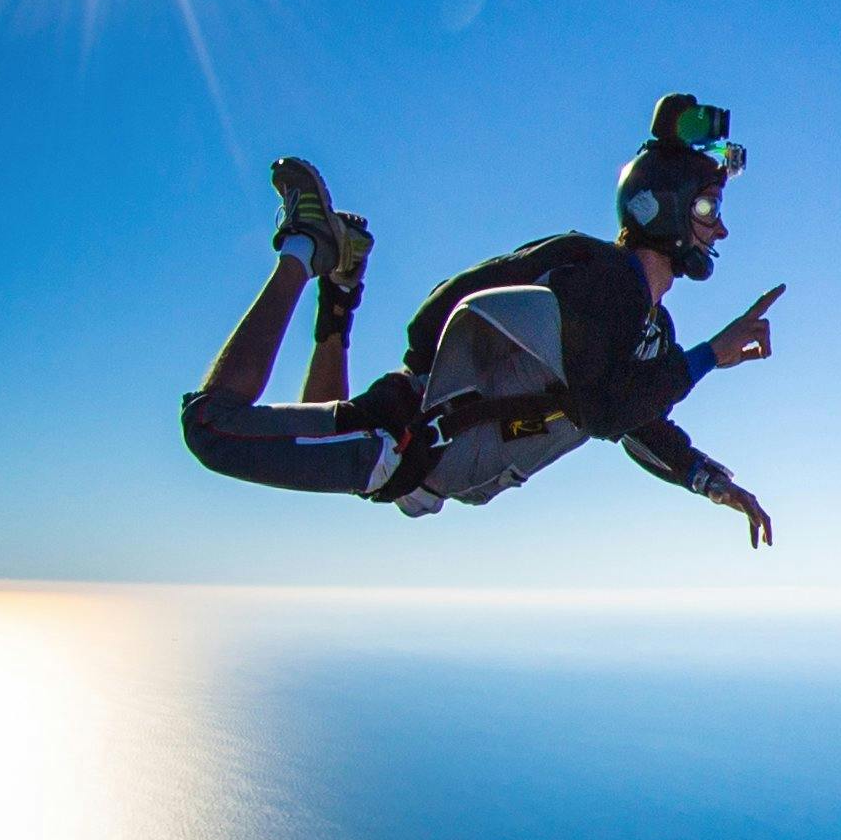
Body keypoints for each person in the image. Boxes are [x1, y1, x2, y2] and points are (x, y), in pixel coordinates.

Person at [177, 97, 784, 542]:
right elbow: (604, 409)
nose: (720, 228)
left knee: (323, 412)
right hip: (404, 438)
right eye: (708, 208)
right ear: (662, 208)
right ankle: (306, 247)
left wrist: (709, 480)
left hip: (413, 455)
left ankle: (341, 287)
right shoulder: (607, 281)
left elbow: (638, 418)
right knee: (211, 429)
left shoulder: (647, 329)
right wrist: (712, 355)